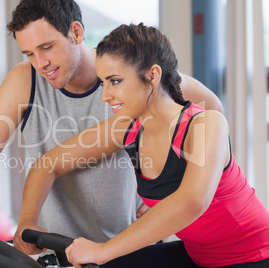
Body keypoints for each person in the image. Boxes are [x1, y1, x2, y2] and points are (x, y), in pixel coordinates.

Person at [0, 0, 223, 264]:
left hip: (130, 249)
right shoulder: (23, 81)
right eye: (29, 53)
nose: (40, 64)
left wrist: (167, 187)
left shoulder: (124, 72)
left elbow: (209, 107)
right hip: (60, 251)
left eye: (47, 47)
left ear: (76, 32)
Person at [16, 23, 269, 267]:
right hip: (198, 255)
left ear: (153, 75)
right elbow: (49, 162)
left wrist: (103, 250)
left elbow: (191, 202)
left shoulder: (206, 124)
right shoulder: (128, 127)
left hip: (252, 255)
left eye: (115, 81)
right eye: (103, 82)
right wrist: (27, 221)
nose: (105, 96)